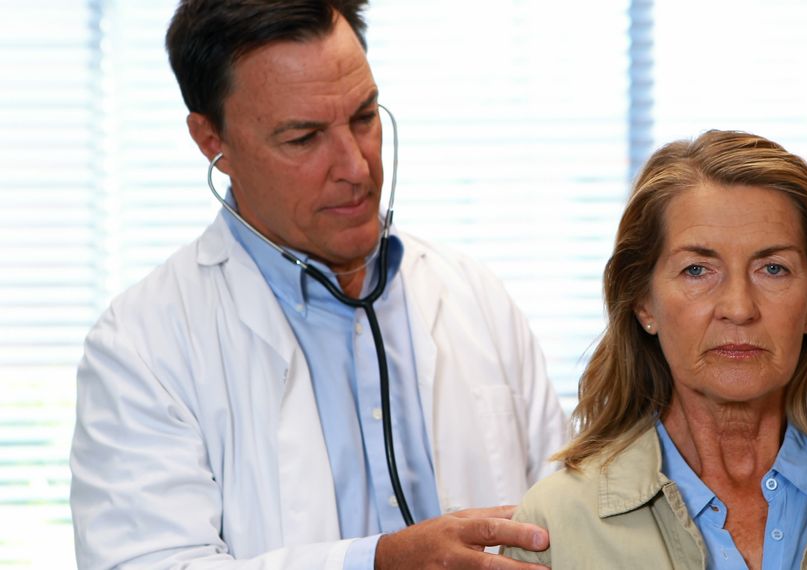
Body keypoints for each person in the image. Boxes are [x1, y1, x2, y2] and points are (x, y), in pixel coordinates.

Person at [69, 1, 566, 568]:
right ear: (212, 140)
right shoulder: (142, 348)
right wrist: (375, 562)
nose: (356, 166)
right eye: (304, 138)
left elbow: (565, 516)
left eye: (364, 116)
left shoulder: (475, 298)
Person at [504, 130, 807, 569]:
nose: (738, 307)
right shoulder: (553, 528)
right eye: (696, 270)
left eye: (772, 269)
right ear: (644, 302)